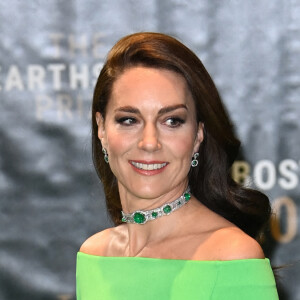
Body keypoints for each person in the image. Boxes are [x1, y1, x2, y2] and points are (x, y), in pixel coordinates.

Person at [76, 32, 279, 299]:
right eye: (128, 120)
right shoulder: (94, 254)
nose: (149, 142)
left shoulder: (231, 256)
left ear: (198, 136)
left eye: (172, 121)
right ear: (101, 128)